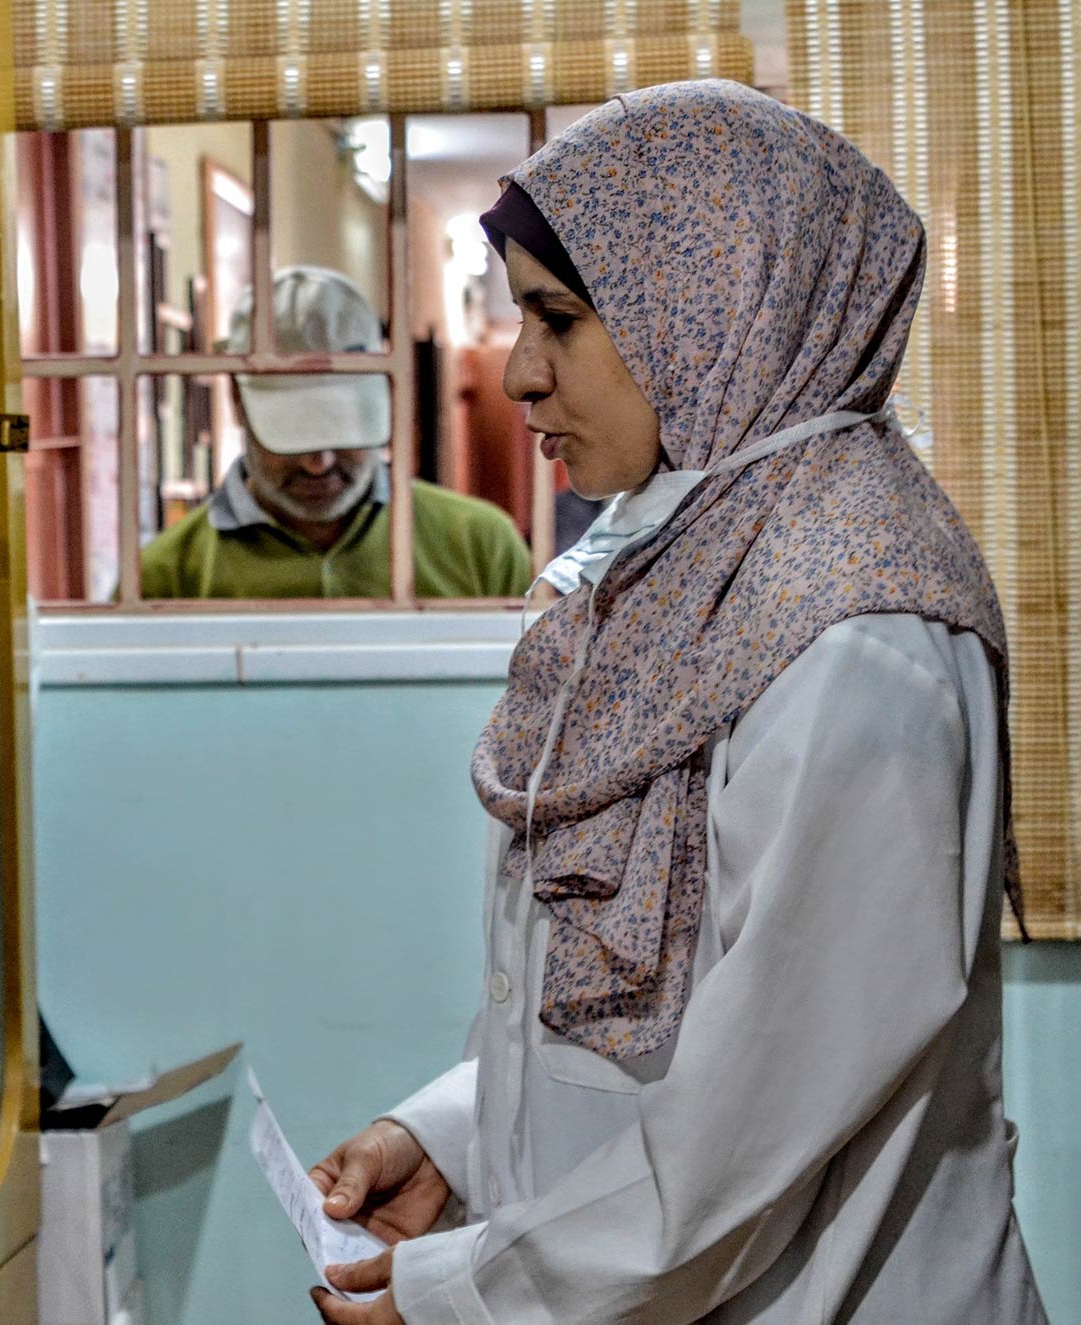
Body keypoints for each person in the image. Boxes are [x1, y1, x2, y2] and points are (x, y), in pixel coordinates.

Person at [305, 82, 1046, 1323]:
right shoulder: (696, 566)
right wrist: (452, 1135)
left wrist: (465, 1296)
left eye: (557, 319)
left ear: (705, 308)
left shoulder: (854, 631)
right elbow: (647, 1004)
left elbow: (764, 1105)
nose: (519, 377)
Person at [138, 266, 532, 600]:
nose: (318, 463)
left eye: (341, 427)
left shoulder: (483, 547)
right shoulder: (164, 578)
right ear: (237, 402)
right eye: (292, 430)